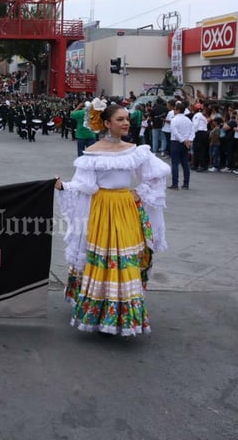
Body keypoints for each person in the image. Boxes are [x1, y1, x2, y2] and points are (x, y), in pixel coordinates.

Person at [55, 103, 170, 335]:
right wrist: (62, 186)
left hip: (126, 208)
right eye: (120, 119)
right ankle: (102, 313)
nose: (126, 123)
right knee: (105, 258)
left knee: (125, 258)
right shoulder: (93, 152)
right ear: (107, 123)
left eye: (127, 119)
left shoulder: (136, 150)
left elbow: (158, 174)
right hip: (102, 209)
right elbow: (84, 186)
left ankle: (124, 315)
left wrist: (140, 191)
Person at [169, 101, 194, 190]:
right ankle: (186, 183)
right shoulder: (188, 120)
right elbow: (192, 131)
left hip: (176, 142)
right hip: (186, 143)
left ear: (178, 110)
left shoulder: (174, 120)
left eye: (175, 109)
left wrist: (183, 140)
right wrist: (189, 140)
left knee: (175, 163)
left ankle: (175, 183)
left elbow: (175, 132)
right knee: (185, 163)